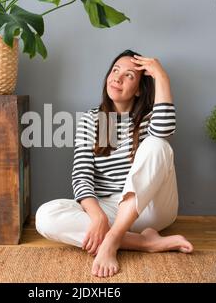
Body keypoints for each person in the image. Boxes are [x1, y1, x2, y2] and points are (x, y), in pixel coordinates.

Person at [35, 49, 194, 278]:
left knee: (157, 144)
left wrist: (161, 76)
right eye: (115, 70)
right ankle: (145, 243)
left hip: (150, 210)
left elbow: (164, 130)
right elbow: (81, 175)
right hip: (109, 208)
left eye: (129, 75)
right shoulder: (92, 120)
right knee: (45, 216)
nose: (117, 77)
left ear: (139, 89)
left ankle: (112, 239)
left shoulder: (150, 118)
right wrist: (98, 216)